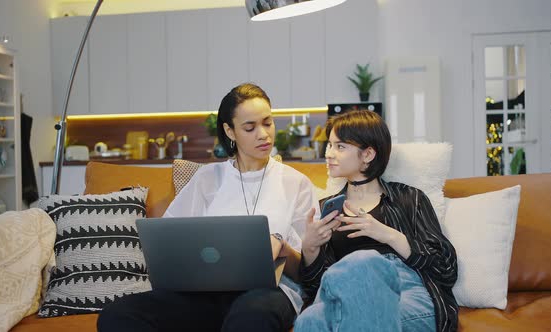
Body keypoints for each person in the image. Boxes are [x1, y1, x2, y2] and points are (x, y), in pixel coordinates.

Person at [97, 83, 320, 332]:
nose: (263, 134)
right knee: (118, 315)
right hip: (205, 294)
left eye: (268, 123)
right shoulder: (207, 179)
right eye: (250, 127)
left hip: (269, 294)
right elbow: (170, 241)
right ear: (230, 131)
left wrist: (282, 248)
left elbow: (309, 276)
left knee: (250, 317)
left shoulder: (296, 183)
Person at [295, 110, 458, 332]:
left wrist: (388, 234)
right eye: (330, 145)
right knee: (308, 320)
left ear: (368, 154)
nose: (329, 154)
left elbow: (446, 268)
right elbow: (316, 287)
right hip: (344, 291)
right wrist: (310, 247)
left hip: (406, 291)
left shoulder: (410, 198)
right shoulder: (326, 209)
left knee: (364, 262)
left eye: (340, 146)